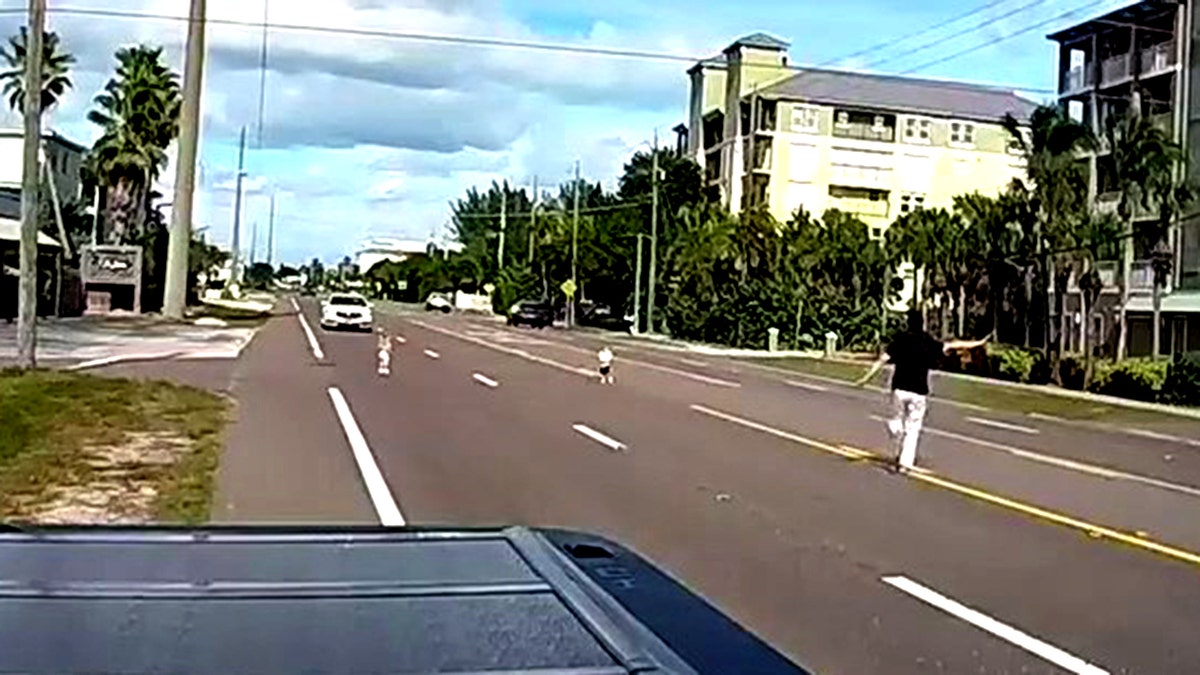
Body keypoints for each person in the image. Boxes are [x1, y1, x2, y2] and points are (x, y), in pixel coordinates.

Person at [855, 311, 989, 473]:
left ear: (908, 323)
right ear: (922, 323)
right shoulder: (928, 341)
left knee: (897, 420)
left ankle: (895, 428)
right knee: (913, 428)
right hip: (919, 392)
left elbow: (882, 359)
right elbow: (953, 344)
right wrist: (977, 343)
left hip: (899, 389)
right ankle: (905, 463)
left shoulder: (901, 339)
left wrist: (866, 377)